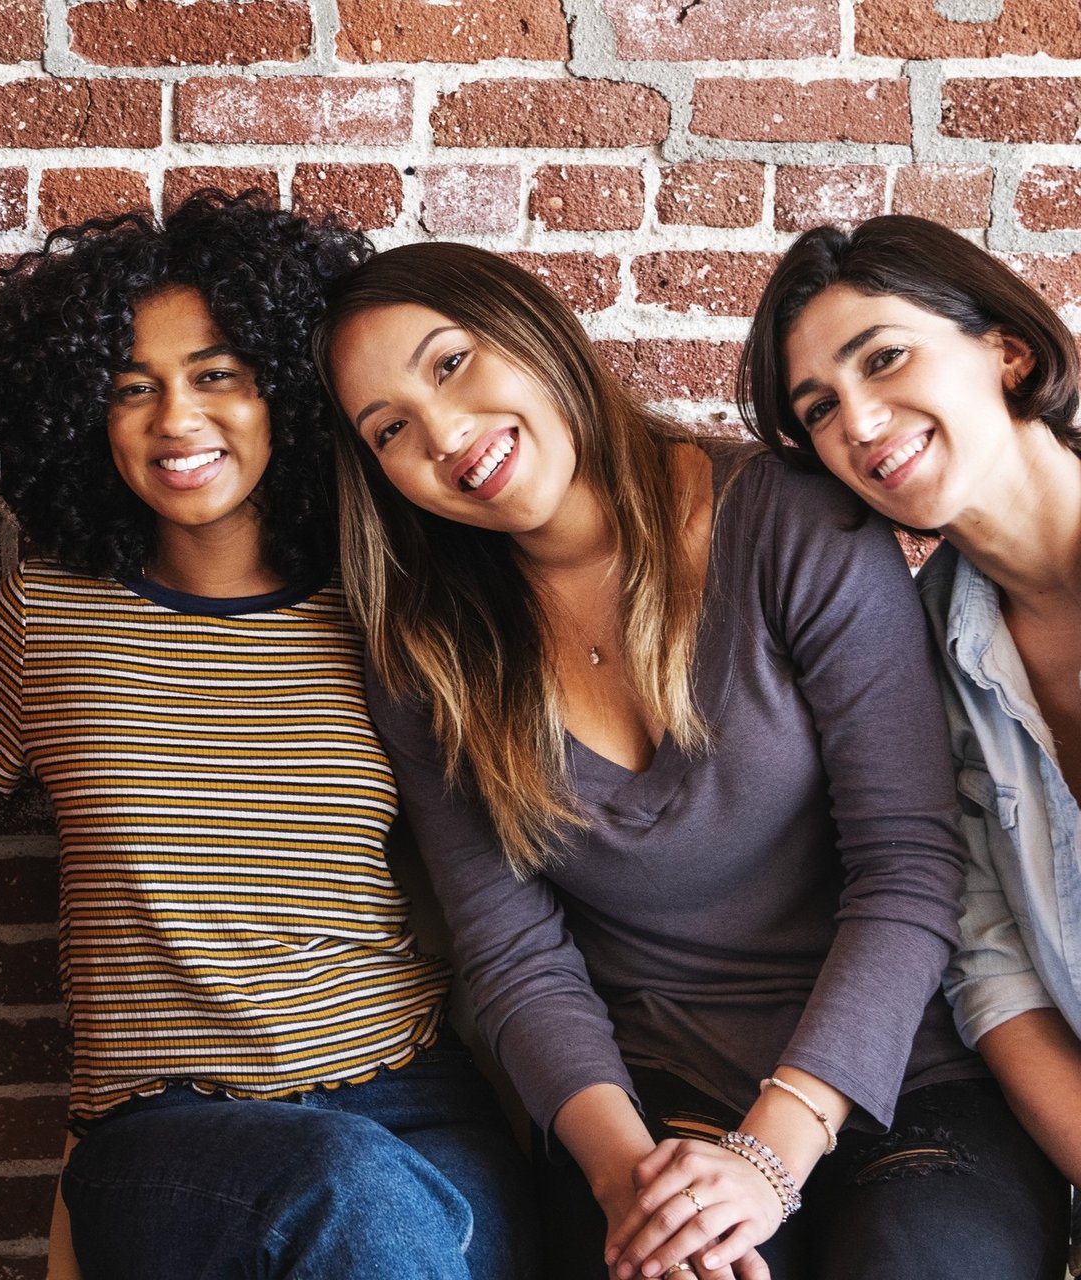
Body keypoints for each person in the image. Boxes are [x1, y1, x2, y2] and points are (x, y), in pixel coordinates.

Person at [317, 240, 1067, 1280]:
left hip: (906, 1083)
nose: (442, 434)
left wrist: (771, 1152)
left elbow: (907, 861)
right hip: (652, 1111)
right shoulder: (426, 654)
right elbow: (510, 953)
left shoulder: (788, 520)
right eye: (389, 429)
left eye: (450, 364)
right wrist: (634, 1182)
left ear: (536, 334)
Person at [0, 192, 538, 1280]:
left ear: (284, 392)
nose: (176, 418)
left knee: (401, 1212)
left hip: (412, 1094)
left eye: (216, 374)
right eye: (133, 388)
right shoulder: (52, 615)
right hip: (167, 1132)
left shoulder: (382, 612)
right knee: (341, 1183)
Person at [742, 214, 1081, 1249]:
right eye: (820, 408)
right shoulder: (920, 649)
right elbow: (992, 969)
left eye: (883, 357)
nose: (861, 419)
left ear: (1007, 350)